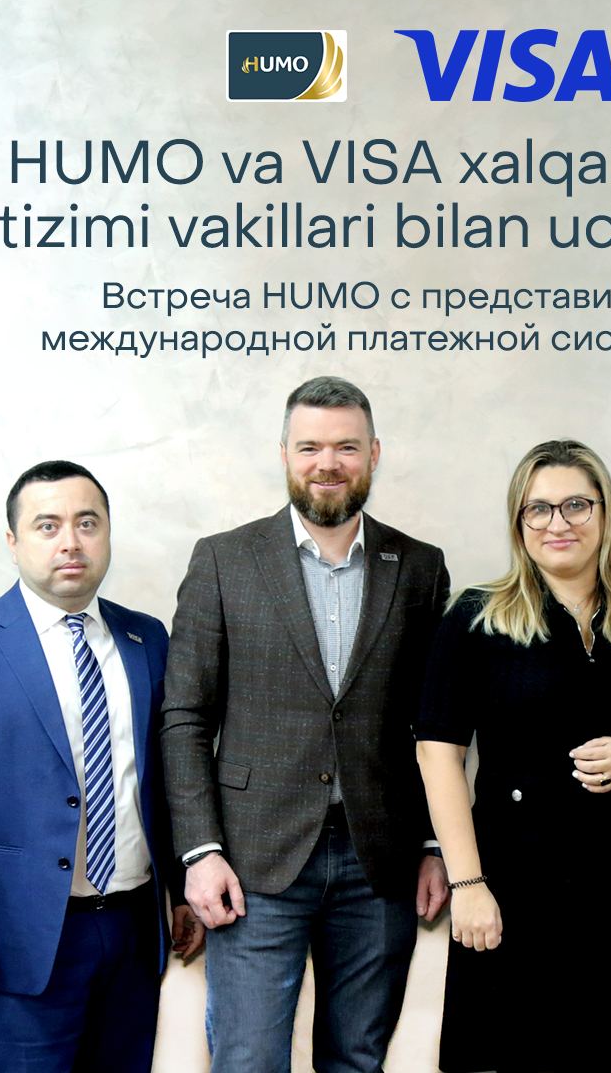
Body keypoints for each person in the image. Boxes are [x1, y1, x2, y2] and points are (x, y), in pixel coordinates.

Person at [160, 376, 451, 1072]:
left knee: (357, 1059)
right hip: (253, 861)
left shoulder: (419, 567)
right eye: (310, 447)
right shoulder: (224, 560)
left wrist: (434, 843)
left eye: (346, 447)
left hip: (379, 862)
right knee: (250, 1059)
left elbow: (433, 724)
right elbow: (185, 717)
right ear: (284, 454)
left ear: (374, 454)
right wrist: (200, 852)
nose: (328, 463)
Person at [0, 460, 202, 1073]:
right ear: (13, 541)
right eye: (47, 525)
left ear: (107, 533)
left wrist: (181, 887)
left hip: (132, 929)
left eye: (87, 523)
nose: (71, 541)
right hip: (16, 937)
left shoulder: (147, 639)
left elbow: (167, 776)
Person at [415, 439, 611, 1073]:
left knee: (600, 1058)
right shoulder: (477, 617)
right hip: (510, 881)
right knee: (511, 1055)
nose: (558, 523)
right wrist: (468, 884)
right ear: (519, 522)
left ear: (605, 514)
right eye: (538, 508)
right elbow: (437, 755)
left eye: (576, 505)